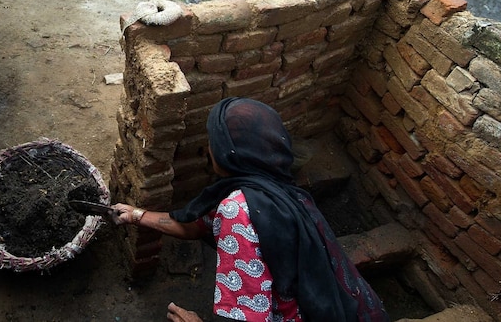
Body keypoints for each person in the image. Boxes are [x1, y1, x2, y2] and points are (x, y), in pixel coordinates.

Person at [111, 97, 390, 322]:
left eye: (213, 142)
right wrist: (136, 215)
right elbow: (197, 225)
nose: (209, 148)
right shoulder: (279, 188)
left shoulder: (239, 211)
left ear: (225, 153)